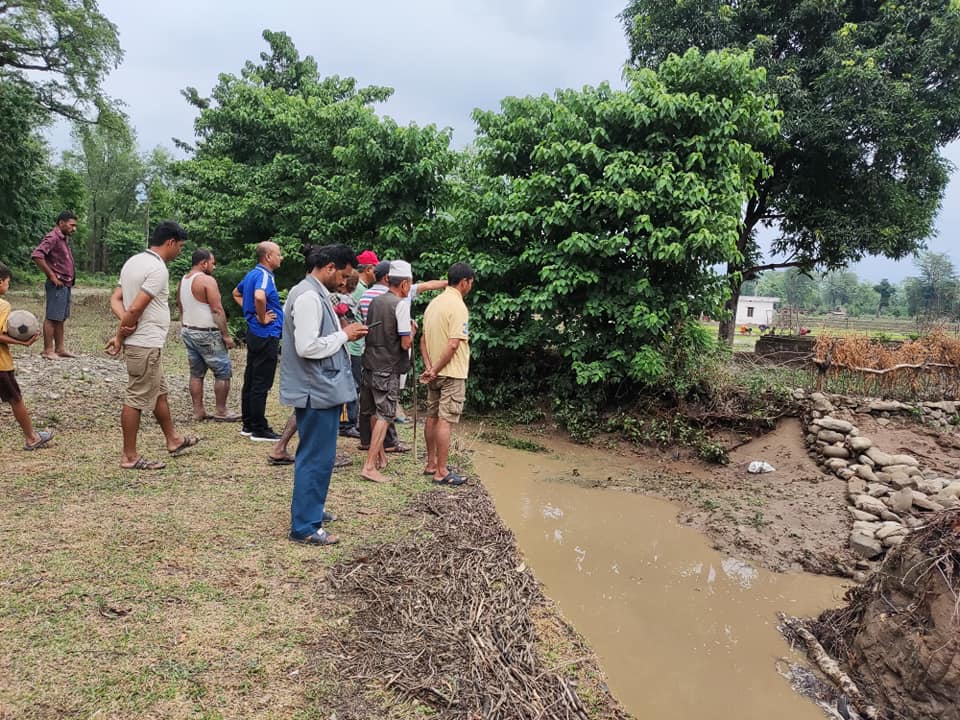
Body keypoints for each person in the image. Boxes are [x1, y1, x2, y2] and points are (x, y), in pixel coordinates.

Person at [280, 244, 367, 546]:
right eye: (342, 276)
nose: (344, 284)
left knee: (319, 455)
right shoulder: (307, 297)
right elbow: (307, 347)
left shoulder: (312, 293)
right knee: (316, 457)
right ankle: (304, 525)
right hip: (315, 389)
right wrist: (345, 335)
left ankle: (311, 508)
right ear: (329, 267)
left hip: (320, 388)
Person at [105, 221, 199, 470]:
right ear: (170, 242)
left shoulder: (133, 262)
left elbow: (116, 300)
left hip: (145, 342)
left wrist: (124, 324)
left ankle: (173, 439)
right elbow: (135, 307)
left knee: (159, 392)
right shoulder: (158, 269)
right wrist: (122, 331)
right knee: (136, 396)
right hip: (144, 344)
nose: (179, 251)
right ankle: (129, 456)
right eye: (179, 246)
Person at [359, 260, 416, 483]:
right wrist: (411, 331)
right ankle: (369, 465)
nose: (410, 289)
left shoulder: (375, 301)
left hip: (370, 363)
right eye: (409, 285)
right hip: (388, 366)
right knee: (385, 414)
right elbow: (404, 343)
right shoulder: (400, 304)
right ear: (403, 284)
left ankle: (380, 457)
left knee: (374, 411)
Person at [419, 262, 475, 486]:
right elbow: (453, 345)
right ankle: (441, 471)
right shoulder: (458, 306)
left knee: (432, 416)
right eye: (470, 283)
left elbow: (423, 341)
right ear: (464, 282)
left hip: (435, 372)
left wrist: (430, 368)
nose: (470, 287)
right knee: (445, 419)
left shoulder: (433, 304)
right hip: (451, 373)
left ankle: (431, 463)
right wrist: (437, 368)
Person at [176, 249, 239, 422]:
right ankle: (221, 410)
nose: (214, 266)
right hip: (207, 332)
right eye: (212, 262)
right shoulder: (206, 280)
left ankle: (198, 410)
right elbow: (217, 309)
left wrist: (184, 322)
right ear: (204, 263)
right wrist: (226, 335)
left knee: (196, 373)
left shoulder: (184, 280)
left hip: (189, 329)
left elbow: (180, 304)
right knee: (222, 371)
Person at [233, 241, 284, 442]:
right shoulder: (263, 275)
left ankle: (248, 423)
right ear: (268, 256)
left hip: (254, 333)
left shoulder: (251, 274)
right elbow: (259, 296)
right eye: (278, 254)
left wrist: (250, 312)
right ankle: (259, 428)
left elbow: (236, 293)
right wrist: (261, 316)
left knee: (251, 378)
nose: (281, 258)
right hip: (266, 334)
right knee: (261, 381)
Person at [0, 262, 54, 450]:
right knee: (16, 399)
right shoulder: (3, 305)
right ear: (0, 282)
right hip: (1, 364)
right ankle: (32, 438)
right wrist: (23, 342)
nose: (8, 286)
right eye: (8, 282)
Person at [31, 211, 78, 359]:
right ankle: (48, 350)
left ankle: (60, 348)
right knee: (52, 316)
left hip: (65, 284)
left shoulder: (63, 239)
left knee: (60, 317)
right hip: (57, 283)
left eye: (75, 226)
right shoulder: (53, 237)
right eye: (72, 225)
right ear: (61, 223)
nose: (74, 229)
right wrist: (51, 276)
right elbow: (37, 255)